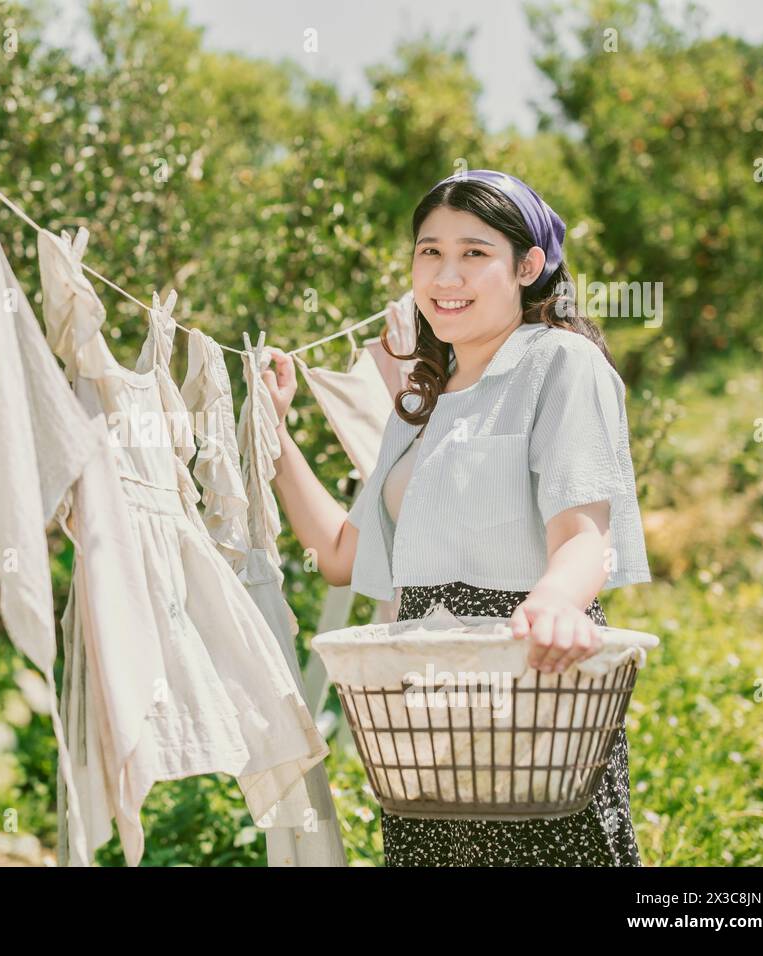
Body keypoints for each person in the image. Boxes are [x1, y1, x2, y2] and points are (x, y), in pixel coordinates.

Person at [262, 169, 652, 866]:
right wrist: (277, 436)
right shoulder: (421, 407)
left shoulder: (561, 364)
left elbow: (584, 533)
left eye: (474, 253)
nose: (447, 274)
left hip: (534, 684)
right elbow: (343, 556)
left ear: (527, 266)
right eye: (429, 252)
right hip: (427, 714)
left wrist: (558, 602)